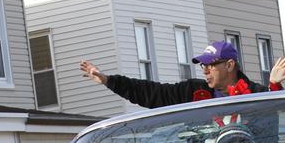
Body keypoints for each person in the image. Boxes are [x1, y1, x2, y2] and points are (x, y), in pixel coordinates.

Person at [79, 40, 275, 108]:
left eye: (210, 65)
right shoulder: (192, 91)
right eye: (202, 66)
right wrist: (108, 80)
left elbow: (274, 117)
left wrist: (274, 85)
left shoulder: (256, 93)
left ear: (230, 65)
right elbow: (152, 93)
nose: (205, 70)